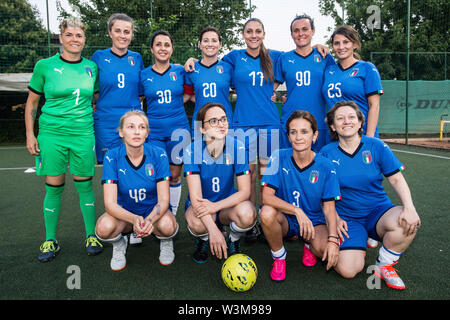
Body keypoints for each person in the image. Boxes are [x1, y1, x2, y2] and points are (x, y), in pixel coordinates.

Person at [25, 18, 103, 262]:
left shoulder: (92, 67)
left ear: (84, 39)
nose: (74, 39)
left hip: (82, 134)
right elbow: (32, 104)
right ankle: (50, 239)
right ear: (60, 38)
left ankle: (91, 235)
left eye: (79, 35)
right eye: (69, 35)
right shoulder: (45, 66)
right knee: (54, 186)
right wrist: (30, 133)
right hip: (52, 135)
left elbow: (95, 99)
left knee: (84, 185)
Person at [321, 100, 421, 289]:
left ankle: (385, 264)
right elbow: (321, 194)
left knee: (408, 221)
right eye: (340, 118)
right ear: (333, 126)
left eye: (351, 117)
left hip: (378, 211)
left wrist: (409, 207)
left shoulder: (377, 146)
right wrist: (335, 217)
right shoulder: (326, 153)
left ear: (360, 122)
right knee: (348, 270)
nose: (346, 121)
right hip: (348, 218)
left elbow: (396, 179)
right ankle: (360, 242)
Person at [260, 110, 340, 281]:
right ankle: (279, 257)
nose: (298, 137)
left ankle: (308, 244)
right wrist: (296, 210)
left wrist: (333, 240)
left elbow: (329, 208)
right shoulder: (278, 156)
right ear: (288, 136)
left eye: (304, 131)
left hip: (313, 221)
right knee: (266, 213)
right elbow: (266, 197)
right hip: (287, 219)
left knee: (324, 250)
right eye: (293, 132)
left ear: (315, 135)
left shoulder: (326, 165)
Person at [95, 111, 178, 270]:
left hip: (152, 211)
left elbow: (163, 201)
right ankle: (119, 243)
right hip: (125, 214)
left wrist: (150, 220)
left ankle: (166, 241)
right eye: (131, 127)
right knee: (103, 228)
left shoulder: (158, 154)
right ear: (121, 132)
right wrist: (134, 219)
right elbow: (110, 204)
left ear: (147, 133)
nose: (137, 131)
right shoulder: (112, 156)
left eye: (142, 127)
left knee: (168, 226)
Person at [184, 103, 256, 263]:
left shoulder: (237, 147)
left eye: (223, 119)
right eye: (213, 121)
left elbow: (245, 192)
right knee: (197, 223)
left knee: (247, 213)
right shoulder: (191, 150)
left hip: (225, 207)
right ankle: (203, 240)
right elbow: (196, 199)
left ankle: (234, 239)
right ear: (202, 129)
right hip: (200, 206)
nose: (221, 124)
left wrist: (216, 207)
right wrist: (213, 231)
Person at [140, 30, 191, 218]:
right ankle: (150, 214)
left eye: (167, 45)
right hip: (153, 132)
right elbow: (139, 100)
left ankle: (171, 216)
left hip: (179, 131)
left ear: (172, 48)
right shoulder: (144, 75)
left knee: (175, 175)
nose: (163, 48)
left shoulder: (180, 71)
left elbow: (188, 95)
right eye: (159, 44)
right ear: (152, 49)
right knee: (155, 176)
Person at [274, 14, 335, 152]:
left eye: (304, 29)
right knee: (291, 166)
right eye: (296, 30)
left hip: (319, 122)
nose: (300, 33)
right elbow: (271, 88)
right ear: (291, 34)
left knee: (319, 166)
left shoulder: (325, 57)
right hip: (291, 122)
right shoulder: (284, 58)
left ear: (312, 31)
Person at [91, 13, 144, 164]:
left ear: (132, 35)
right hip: (106, 122)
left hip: (133, 121)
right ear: (110, 32)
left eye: (127, 32)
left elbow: (140, 94)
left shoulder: (137, 58)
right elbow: (93, 91)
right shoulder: (98, 56)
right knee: (109, 167)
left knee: (135, 165)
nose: (122, 36)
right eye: (118, 31)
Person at [322, 25, 383, 139]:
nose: (341, 47)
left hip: (360, 135)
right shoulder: (329, 70)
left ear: (354, 44)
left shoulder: (367, 68)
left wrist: (369, 137)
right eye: (337, 43)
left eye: (346, 42)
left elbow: (374, 105)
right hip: (334, 135)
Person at [184, 26, 234, 137]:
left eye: (214, 40)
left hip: (224, 122)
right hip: (200, 122)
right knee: (200, 154)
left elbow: (241, 90)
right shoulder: (191, 69)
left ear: (220, 44)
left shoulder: (228, 68)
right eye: (206, 41)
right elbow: (188, 95)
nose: (210, 44)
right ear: (200, 44)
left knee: (226, 154)